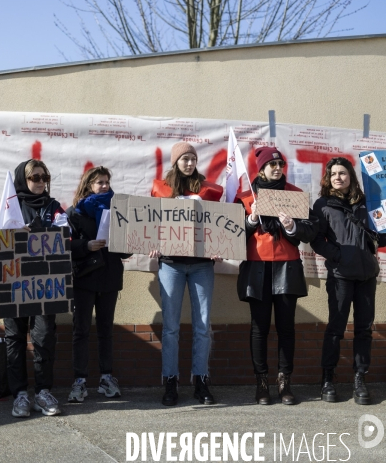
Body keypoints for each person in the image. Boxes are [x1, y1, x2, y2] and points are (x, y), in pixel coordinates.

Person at [236, 147, 318, 405]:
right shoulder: (246, 197)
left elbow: (309, 231)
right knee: (259, 329)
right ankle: (262, 384)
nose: (277, 168)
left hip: (287, 267)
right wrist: (250, 221)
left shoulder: (294, 195)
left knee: (286, 328)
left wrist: (292, 226)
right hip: (257, 267)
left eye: (280, 164)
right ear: (260, 169)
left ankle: (285, 383)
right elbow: (230, 235)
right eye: (271, 164)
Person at [0, 159, 68, 417]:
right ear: (24, 179)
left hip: (45, 286)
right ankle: (20, 394)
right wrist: (12, 234)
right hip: (12, 286)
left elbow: (67, 236)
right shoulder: (3, 207)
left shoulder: (54, 208)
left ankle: (43, 392)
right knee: (15, 339)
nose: (41, 182)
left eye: (45, 177)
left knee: (44, 337)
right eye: (35, 177)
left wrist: (40, 230)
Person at [150, 142, 223, 406]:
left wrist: (219, 246)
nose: (189, 163)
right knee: (170, 327)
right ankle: (170, 380)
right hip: (171, 264)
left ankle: (201, 380)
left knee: (202, 325)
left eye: (193, 158)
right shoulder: (161, 189)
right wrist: (152, 243)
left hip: (202, 265)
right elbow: (151, 222)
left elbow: (219, 225)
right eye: (184, 159)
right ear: (175, 162)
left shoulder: (209, 191)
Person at [310, 157, 386, 405]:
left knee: (364, 329)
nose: (338, 178)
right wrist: (338, 256)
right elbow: (316, 240)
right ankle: (327, 380)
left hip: (366, 275)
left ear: (351, 176)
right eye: (333, 174)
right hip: (341, 276)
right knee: (336, 327)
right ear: (328, 178)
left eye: (342, 173)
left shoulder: (367, 204)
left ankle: (359, 379)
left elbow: (380, 239)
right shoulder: (322, 205)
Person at [67, 166, 131, 403]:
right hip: (84, 279)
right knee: (80, 330)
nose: (104, 186)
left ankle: (106, 378)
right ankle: (80, 381)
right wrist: (87, 246)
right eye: (99, 182)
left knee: (105, 330)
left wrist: (125, 242)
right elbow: (65, 245)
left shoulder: (118, 210)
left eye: (106, 182)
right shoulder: (75, 212)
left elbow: (126, 249)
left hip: (110, 277)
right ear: (88, 185)